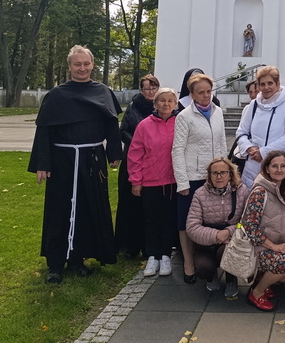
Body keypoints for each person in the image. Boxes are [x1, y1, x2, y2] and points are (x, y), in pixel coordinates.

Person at [28, 45, 122, 284]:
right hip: (63, 160)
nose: (82, 68)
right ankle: (55, 263)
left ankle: (78, 258)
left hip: (92, 160)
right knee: (59, 209)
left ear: (93, 65)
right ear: (69, 66)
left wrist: (114, 153)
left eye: (86, 64)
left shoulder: (103, 92)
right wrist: (42, 163)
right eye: (77, 64)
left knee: (88, 208)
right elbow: (44, 131)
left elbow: (112, 125)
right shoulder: (57, 95)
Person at [172, 73, 228, 283]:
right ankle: (188, 262)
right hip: (192, 177)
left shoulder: (218, 112)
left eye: (208, 91)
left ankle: (209, 258)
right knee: (186, 221)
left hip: (214, 176)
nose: (206, 96)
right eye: (201, 92)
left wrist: (225, 172)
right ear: (192, 94)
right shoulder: (184, 116)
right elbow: (177, 150)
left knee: (212, 218)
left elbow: (222, 142)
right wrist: (182, 182)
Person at [244, 151, 285, 310]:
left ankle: (263, 281)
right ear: (267, 168)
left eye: (283, 166)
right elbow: (250, 228)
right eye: (274, 166)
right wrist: (275, 247)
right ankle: (256, 292)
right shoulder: (260, 192)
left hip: (279, 245)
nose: (279, 170)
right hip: (259, 247)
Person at [128, 87, 179, 278]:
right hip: (150, 180)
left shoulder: (180, 123)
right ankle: (152, 255)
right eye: (162, 100)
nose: (166, 104)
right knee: (151, 219)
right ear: (155, 103)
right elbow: (135, 154)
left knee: (168, 218)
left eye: (170, 101)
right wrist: (136, 180)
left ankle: (165, 254)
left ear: (175, 104)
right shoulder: (144, 125)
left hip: (172, 180)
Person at [186, 157, 248, 300]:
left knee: (229, 253)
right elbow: (192, 226)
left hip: (230, 240)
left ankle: (231, 279)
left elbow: (246, 221)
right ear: (209, 175)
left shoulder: (242, 191)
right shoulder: (200, 194)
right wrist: (216, 235)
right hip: (207, 243)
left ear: (230, 174)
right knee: (203, 266)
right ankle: (211, 276)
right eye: (214, 173)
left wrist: (229, 231)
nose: (219, 177)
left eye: (223, 173)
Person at [115, 73, 159, 258]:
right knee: (130, 203)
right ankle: (129, 244)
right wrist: (138, 143)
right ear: (141, 90)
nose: (150, 92)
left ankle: (148, 244)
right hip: (133, 160)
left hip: (153, 162)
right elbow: (123, 130)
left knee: (149, 205)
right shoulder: (133, 107)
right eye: (146, 88)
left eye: (153, 88)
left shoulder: (161, 107)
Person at [234, 66, 285, 187]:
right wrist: (249, 148)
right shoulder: (254, 105)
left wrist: (263, 153)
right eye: (262, 84)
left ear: (278, 84)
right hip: (254, 165)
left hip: (279, 166)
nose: (266, 87)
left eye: (270, 83)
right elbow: (241, 132)